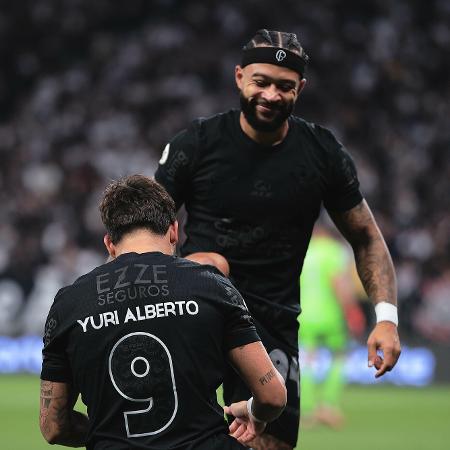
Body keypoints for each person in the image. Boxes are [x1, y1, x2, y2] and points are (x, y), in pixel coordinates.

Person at [154, 29, 401, 450]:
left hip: (272, 322)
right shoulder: (196, 144)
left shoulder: (321, 153)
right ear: (238, 78)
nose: (270, 94)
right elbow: (149, 229)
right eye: (261, 82)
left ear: (300, 89)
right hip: (196, 308)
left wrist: (387, 318)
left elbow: (365, 237)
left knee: (270, 445)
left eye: (284, 86)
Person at [39, 175, 287, 449]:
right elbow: (272, 396)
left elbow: (53, 427)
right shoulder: (211, 285)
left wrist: (110, 432)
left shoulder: (69, 304)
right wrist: (254, 412)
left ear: (109, 243)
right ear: (173, 231)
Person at [299, 223, 364, 429]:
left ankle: (307, 410)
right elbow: (339, 283)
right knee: (339, 356)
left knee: (306, 361)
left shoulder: (302, 250)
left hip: (304, 315)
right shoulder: (335, 252)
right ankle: (328, 406)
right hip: (330, 315)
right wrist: (352, 311)